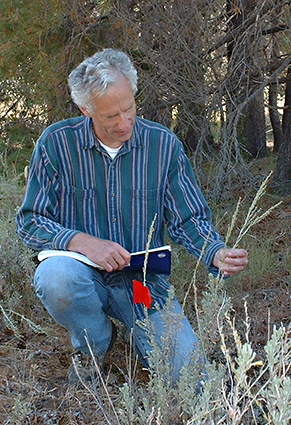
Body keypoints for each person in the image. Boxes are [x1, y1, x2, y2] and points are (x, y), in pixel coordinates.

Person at [16, 48, 248, 386]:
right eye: (111, 117)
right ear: (86, 110)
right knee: (57, 278)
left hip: (142, 284)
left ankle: (144, 338)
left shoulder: (163, 145)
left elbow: (187, 218)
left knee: (192, 380)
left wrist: (214, 251)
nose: (124, 123)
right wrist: (83, 243)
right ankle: (93, 345)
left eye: (129, 109)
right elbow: (30, 220)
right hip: (83, 277)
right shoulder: (57, 144)